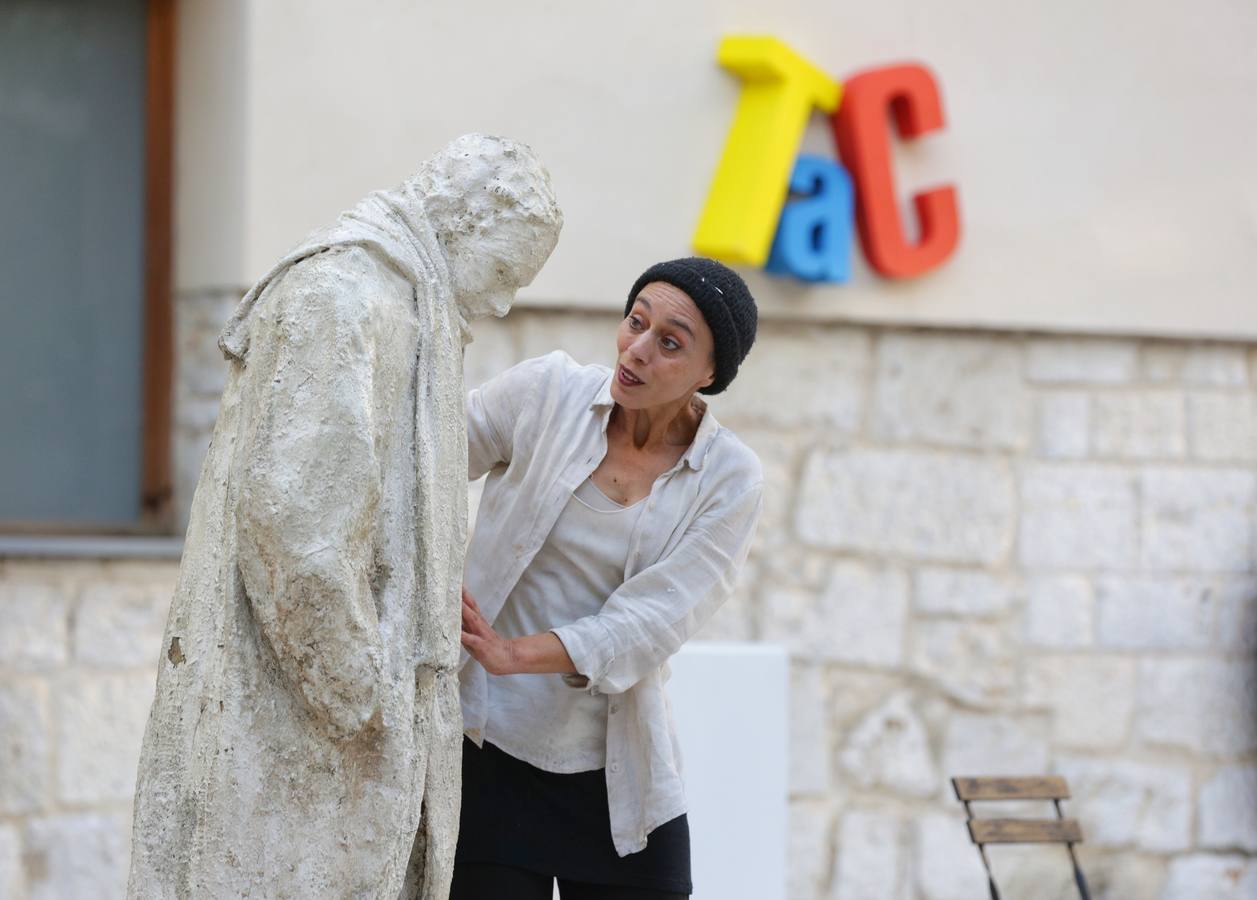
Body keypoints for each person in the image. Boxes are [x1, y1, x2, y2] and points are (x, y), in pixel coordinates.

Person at [126, 134, 562, 900]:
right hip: (310, 734)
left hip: (357, 736)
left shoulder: (408, 305)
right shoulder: (344, 297)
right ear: (462, 222)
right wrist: (365, 700)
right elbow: (296, 526)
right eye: (502, 272)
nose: (498, 302)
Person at [453, 257, 765, 900]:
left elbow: (651, 622)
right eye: (636, 321)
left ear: (710, 373)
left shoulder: (729, 478)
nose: (637, 350)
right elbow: (431, 448)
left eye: (669, 343)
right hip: (486, 751)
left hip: (614, 773)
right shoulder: (549, 393)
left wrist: (512, 653)